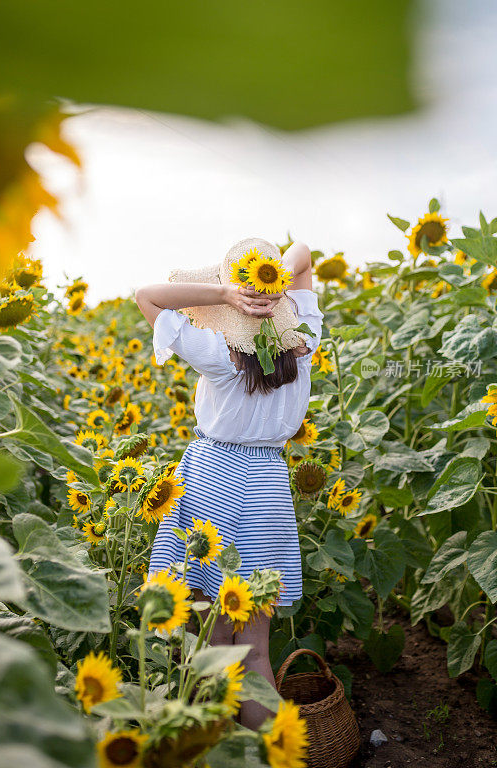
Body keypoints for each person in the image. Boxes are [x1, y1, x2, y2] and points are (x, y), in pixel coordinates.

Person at [135, 237, 324, 729]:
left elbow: (147, 296)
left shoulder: (218, 354)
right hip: (267, 486)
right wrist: (274, 284)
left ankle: (216, 752)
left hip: (211, 479)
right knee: (255, 652)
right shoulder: (304, 341)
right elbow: (303, 252)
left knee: (212, 646)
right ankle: (272, 754)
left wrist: (225, 294)